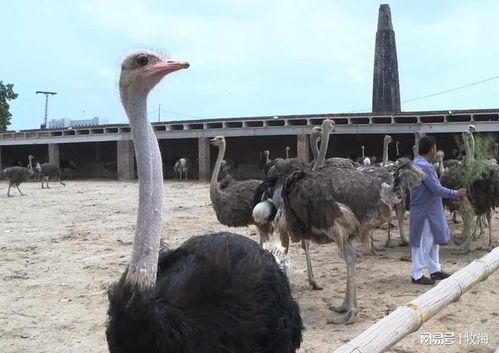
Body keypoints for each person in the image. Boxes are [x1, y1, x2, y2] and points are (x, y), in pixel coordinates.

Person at [409, 135, 467, 285]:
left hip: (428, 209)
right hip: (425, 211)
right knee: (424, 241)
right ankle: (416, 274)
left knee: (432, 240)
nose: (436, 151)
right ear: (431, 149)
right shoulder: (425, 167)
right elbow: (436, 189)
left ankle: (435, 269)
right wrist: (456, 193)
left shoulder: (418, 163)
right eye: (435, 148)